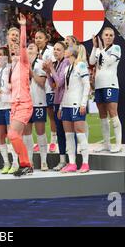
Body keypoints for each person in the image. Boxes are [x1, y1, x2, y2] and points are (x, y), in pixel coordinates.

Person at [6, 13, 34, 177]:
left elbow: (23, 45)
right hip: (14, 105)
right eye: (12, 48)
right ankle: (25, 165)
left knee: (12, 134)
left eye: (17, 47)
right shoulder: (13, 67)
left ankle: (26, 164)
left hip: (23, 104)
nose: (15, 49)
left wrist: (23, 26)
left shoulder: (24, 62)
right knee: (16, 137)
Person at [90, 28, 122, 153]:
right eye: (106, 35)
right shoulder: (99, 50)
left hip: (111, 84)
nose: (108, 37)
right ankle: (106, 144)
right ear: (102, 37)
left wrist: (101, 49)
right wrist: (94, 47)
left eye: (111, 35)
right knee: (102, 115)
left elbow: (109, 61)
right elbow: (92, 61)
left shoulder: (116, 48)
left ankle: (118, 144)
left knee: (113, 113)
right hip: (99, 85)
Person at [59, 45, 91, 173]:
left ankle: (85, 163)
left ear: (71, 53)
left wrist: (83, 104)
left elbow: (87, 85)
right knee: (69, 135)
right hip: (66, 105)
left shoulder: (81, 66)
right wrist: (61, 106)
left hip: (77, 104)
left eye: (66, 49)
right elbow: (65, 89)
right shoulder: (67, 68)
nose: (64, 51)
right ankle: (72, 163)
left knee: (80, 134)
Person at [0, 46, 17, 173]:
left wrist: (1, 90)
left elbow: (13, 86)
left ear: (6, 56)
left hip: (9, 105)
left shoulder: (11, 68)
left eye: (0, 54)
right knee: (0, 135)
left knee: (12, 135)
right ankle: (6, 162)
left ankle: (16, 162)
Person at [44, 41, 70, 171]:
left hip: (64, 102)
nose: (55, 51)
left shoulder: (66, 62)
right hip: (57, 101)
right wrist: (48, 72)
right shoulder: (58, 63)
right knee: (60, 132)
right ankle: (62, 160)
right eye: (54, 49)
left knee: (67, 132)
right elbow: (53, 85)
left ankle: (71, 160)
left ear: (64, 52)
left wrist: (52, 69)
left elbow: (60, 83)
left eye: (58, 49)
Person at [24, 43, 49, 171]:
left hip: (39, 101)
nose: (31, 47)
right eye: (29, 46)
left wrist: (31, 73)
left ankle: (44, 161)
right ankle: (29, 161)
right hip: (25, 103)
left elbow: (42, 82)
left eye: (33, 46)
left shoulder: (41, 63)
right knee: (26, 134)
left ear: (38, 50)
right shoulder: (21, 63)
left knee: (40, 132)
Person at [34, 31, 57, 153]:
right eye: (36, 38)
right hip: (37, 89)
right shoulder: (32, 52)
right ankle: (39, 141)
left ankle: (53, 141)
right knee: (38, 118)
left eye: (40, 38)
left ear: (46, 39)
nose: (37, 40)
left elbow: (53, 67)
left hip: (49, 87)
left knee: (51, 114)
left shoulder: (51, 50)